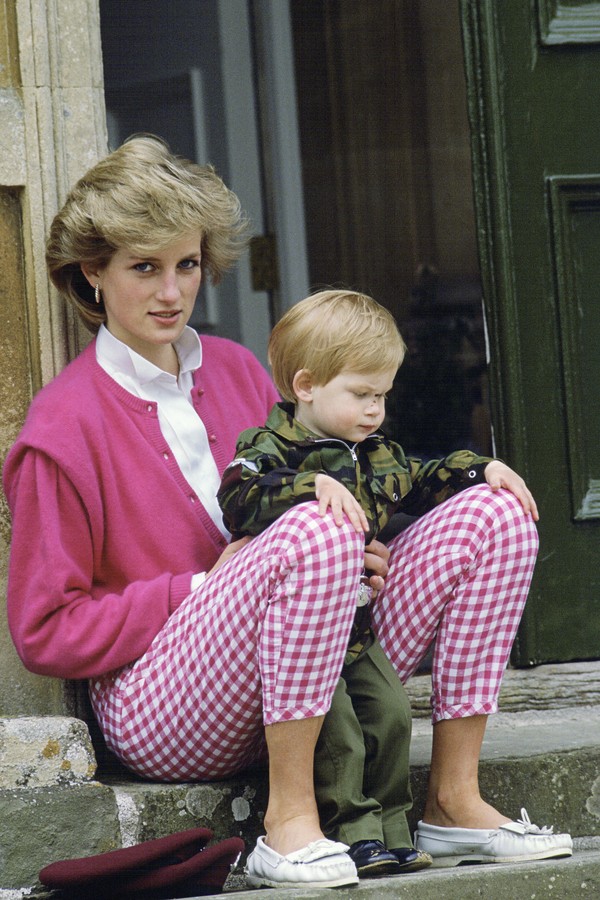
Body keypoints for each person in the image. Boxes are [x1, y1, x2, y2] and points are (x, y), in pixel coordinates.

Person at [3, 135, 365, 890]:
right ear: (92, 274)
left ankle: (457, 803)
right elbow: (44, 630)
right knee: (305, 529)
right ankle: (289, 822)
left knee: (484, 519)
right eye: (144, 267)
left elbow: (304, 505)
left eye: (187, 265)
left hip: (285, 679)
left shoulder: (235, 367)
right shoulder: (61, 430)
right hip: (156, 708)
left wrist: (358, 550)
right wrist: (196, 591)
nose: (171, 292)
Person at [217, 289, 574, 870]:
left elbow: (423, 477)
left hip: (358, 633)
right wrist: (309, 489)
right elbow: (238, 496)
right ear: (305, 385)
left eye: (382, 395)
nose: (374, 409)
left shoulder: (373, 454)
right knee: (342, 734)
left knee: (390, 714)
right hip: (298, 645)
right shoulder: (269, 448)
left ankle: (394, 832)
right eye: (361, 394)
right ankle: (351, 831)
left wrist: (480, 468)